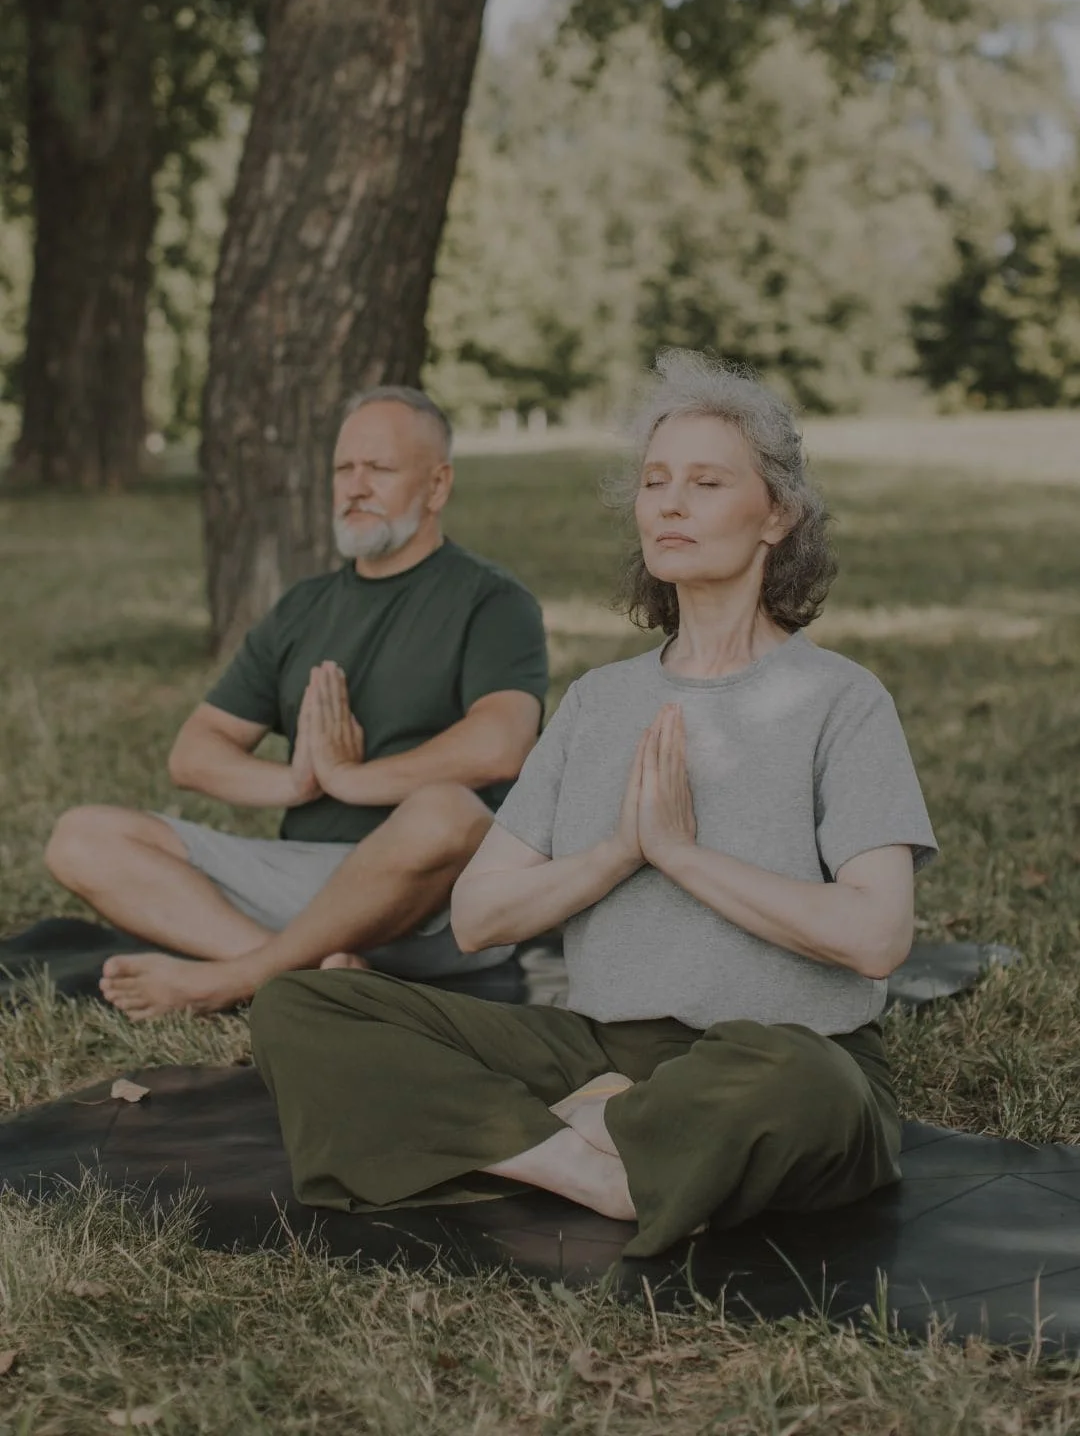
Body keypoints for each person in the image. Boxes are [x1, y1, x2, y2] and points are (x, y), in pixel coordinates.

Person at [250, 350, 938, 1259]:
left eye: (705, 481)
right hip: (600, 1055)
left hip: (782, 1055)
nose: (671, 503)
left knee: (805, 1085)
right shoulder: (597, 704)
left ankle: (558, 1135)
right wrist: (619, 851)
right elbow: (477, 916)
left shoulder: (841, 701)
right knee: (303, 1007)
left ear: (777, 514)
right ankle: (589, 1164)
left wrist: (682, 854)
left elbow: (877, 937)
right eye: (656, 482)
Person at [44, 387, 548, 1021]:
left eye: (380, 469)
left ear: (437, 485)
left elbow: (501, 746)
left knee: (449, 812)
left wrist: (352, 779)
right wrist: (298, 781)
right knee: (81, 836)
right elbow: (194, 754)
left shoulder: (493, 601)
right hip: (307, 889)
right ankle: (312, 977)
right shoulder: (302, 608)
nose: (355, 486)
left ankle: (232, 981)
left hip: (439, 903)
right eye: (344, 469)